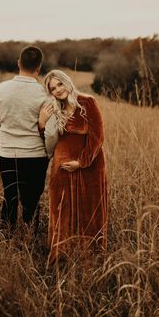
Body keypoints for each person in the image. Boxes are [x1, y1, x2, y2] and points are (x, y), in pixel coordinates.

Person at [39, 70, 107, 263]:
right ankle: (62, 255)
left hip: (89, 167)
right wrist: (42, 124)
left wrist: (81, 162)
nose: (58, 90)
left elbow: (97, 137)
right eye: (53, 88)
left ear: (67, 82)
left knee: (89, 212)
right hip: (61, 169)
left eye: (59, 84)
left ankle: (90, 257)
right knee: (61, 210)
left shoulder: (87, 102)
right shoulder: (53, 108)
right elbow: (49, 141)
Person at [0, 45, 54, 236]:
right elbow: (50, 133)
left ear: (19, 63)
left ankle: (6, 236)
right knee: (31, 200)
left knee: (9, 197)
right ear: (39, 67)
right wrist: (48, 153)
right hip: (36, 156)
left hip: (8, 153)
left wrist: (0, 150)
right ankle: (29, 236)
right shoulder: (44, 94)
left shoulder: (2, 89)